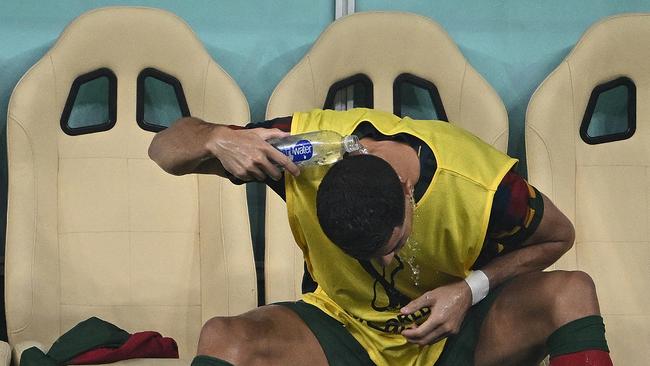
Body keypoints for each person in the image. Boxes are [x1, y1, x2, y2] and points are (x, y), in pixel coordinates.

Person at [148, 108, 612, 366]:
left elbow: (559, 238)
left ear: (407, 192)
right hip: (345, 332)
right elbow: (164, 148)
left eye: (391, 247)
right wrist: (214, 137)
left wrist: (470, 289)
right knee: (223, 336)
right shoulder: (298, 152)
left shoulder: (486, 189)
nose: (386, 264)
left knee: (571, 291)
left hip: (450, 337)